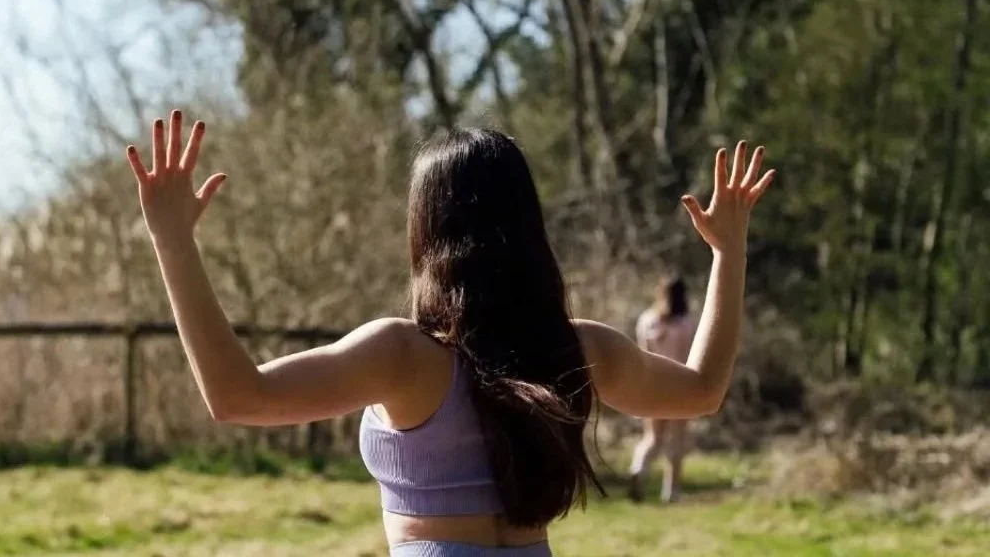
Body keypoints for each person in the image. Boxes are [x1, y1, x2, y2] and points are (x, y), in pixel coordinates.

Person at [124, 110, 775, 557]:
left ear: (425, 232)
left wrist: (173, 241)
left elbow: (239, 396)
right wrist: (729, 254)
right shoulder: (577, 349)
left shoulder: (401, 357)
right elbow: (702, 389)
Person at [627, 275, 699, 504]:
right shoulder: (687, 323)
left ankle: (639, 468)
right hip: (680, 384)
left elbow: (641, 355)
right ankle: (672, 491)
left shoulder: (647, 320)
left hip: (652, 384)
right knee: (677, 440)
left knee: (653, 437)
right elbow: (693, 357)